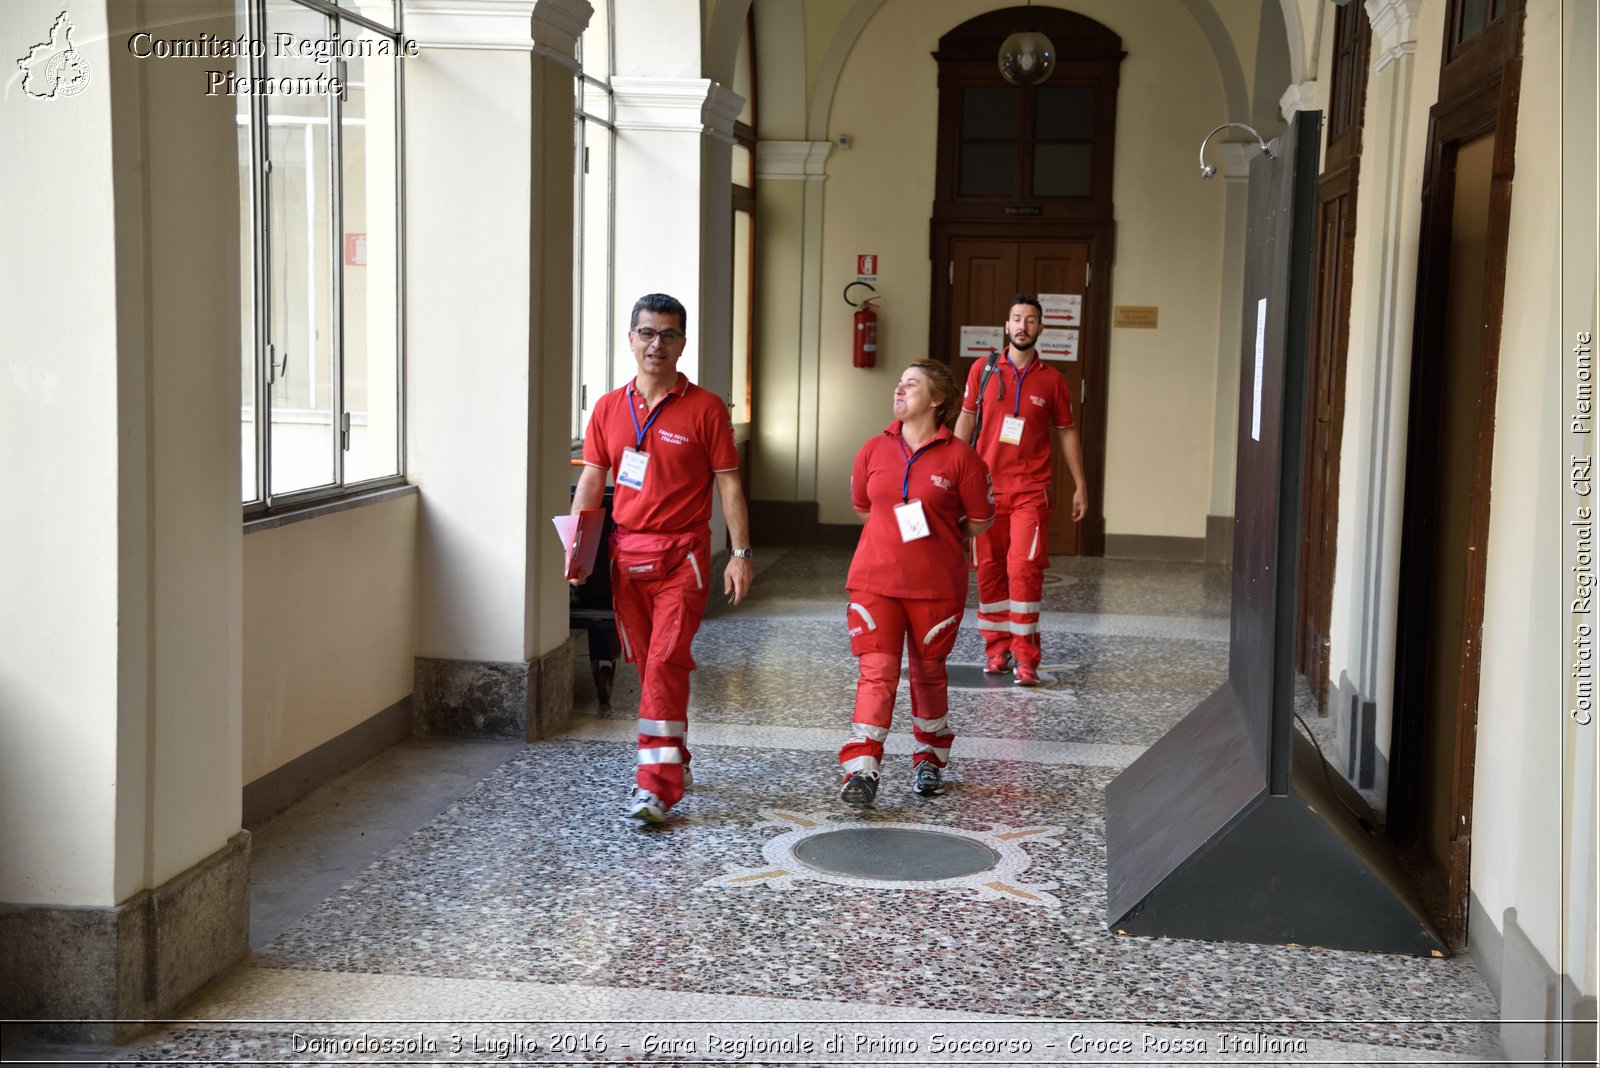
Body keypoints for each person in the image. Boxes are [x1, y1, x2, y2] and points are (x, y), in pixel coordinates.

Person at [570, 293, 755, 824]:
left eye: (669, 334)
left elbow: (728, 484)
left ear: (682, 344)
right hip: (626, 556)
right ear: (630, 339)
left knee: (664, 665)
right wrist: (579, 552)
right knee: (649, 666)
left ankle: (654, 786)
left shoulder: (706, 408)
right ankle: (676, 757)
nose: (657, 343)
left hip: (683, 557)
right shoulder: (608, 407)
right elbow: (592, 480)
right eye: (647, 333)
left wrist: (739, 554)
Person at [839, 361, 994, 806]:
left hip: (935, 586)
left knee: (928, 674)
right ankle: (862, 769)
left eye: (911, 385)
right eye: (899, 383)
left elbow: (981, 519)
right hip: (875, 580)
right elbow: (864, 509)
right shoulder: (872, 449)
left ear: (938, 399)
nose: (899, 390)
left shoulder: (962, 457)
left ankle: (929, 759)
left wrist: (940, 537)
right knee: (877, 672)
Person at [953, 295, 1088, 687]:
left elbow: (1066, 433)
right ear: (1006, 327)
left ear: (1041, 329)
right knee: (990, 572)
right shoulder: (984, 369)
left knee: (1023, 569)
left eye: (1031, 320)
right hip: (985, 492)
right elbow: (966, 420)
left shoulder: (1053, 381)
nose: (1023, 325)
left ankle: (1026, 657)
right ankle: (997, 650)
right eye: (1016, 319)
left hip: (1030, 491)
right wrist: (953, 477)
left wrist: (1081, 485)